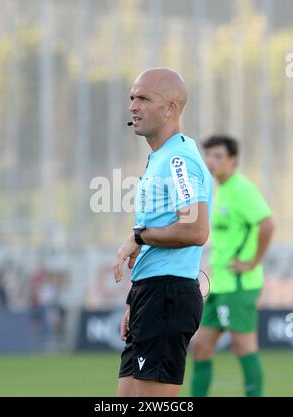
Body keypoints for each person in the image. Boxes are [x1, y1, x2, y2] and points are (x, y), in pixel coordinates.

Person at [113, 67, 212, 397]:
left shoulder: (179, 160)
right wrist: (133, 299)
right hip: (150, 294)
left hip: (166, 296)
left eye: (143, 98)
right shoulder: (160, 158)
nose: (133, 106)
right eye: (131, 97)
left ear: (170, 108)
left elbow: (196, 229)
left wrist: (139, 236)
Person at [190, 135, 275, 397]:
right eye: (209, 156)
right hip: (220, 284)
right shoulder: (220, 190)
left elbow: (268, 224)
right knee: (200, 346)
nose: (211, 162)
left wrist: (253, 261)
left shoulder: (242, 189)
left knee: (244, 346)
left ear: (233, 160)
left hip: (239, 284)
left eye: (218, 156)